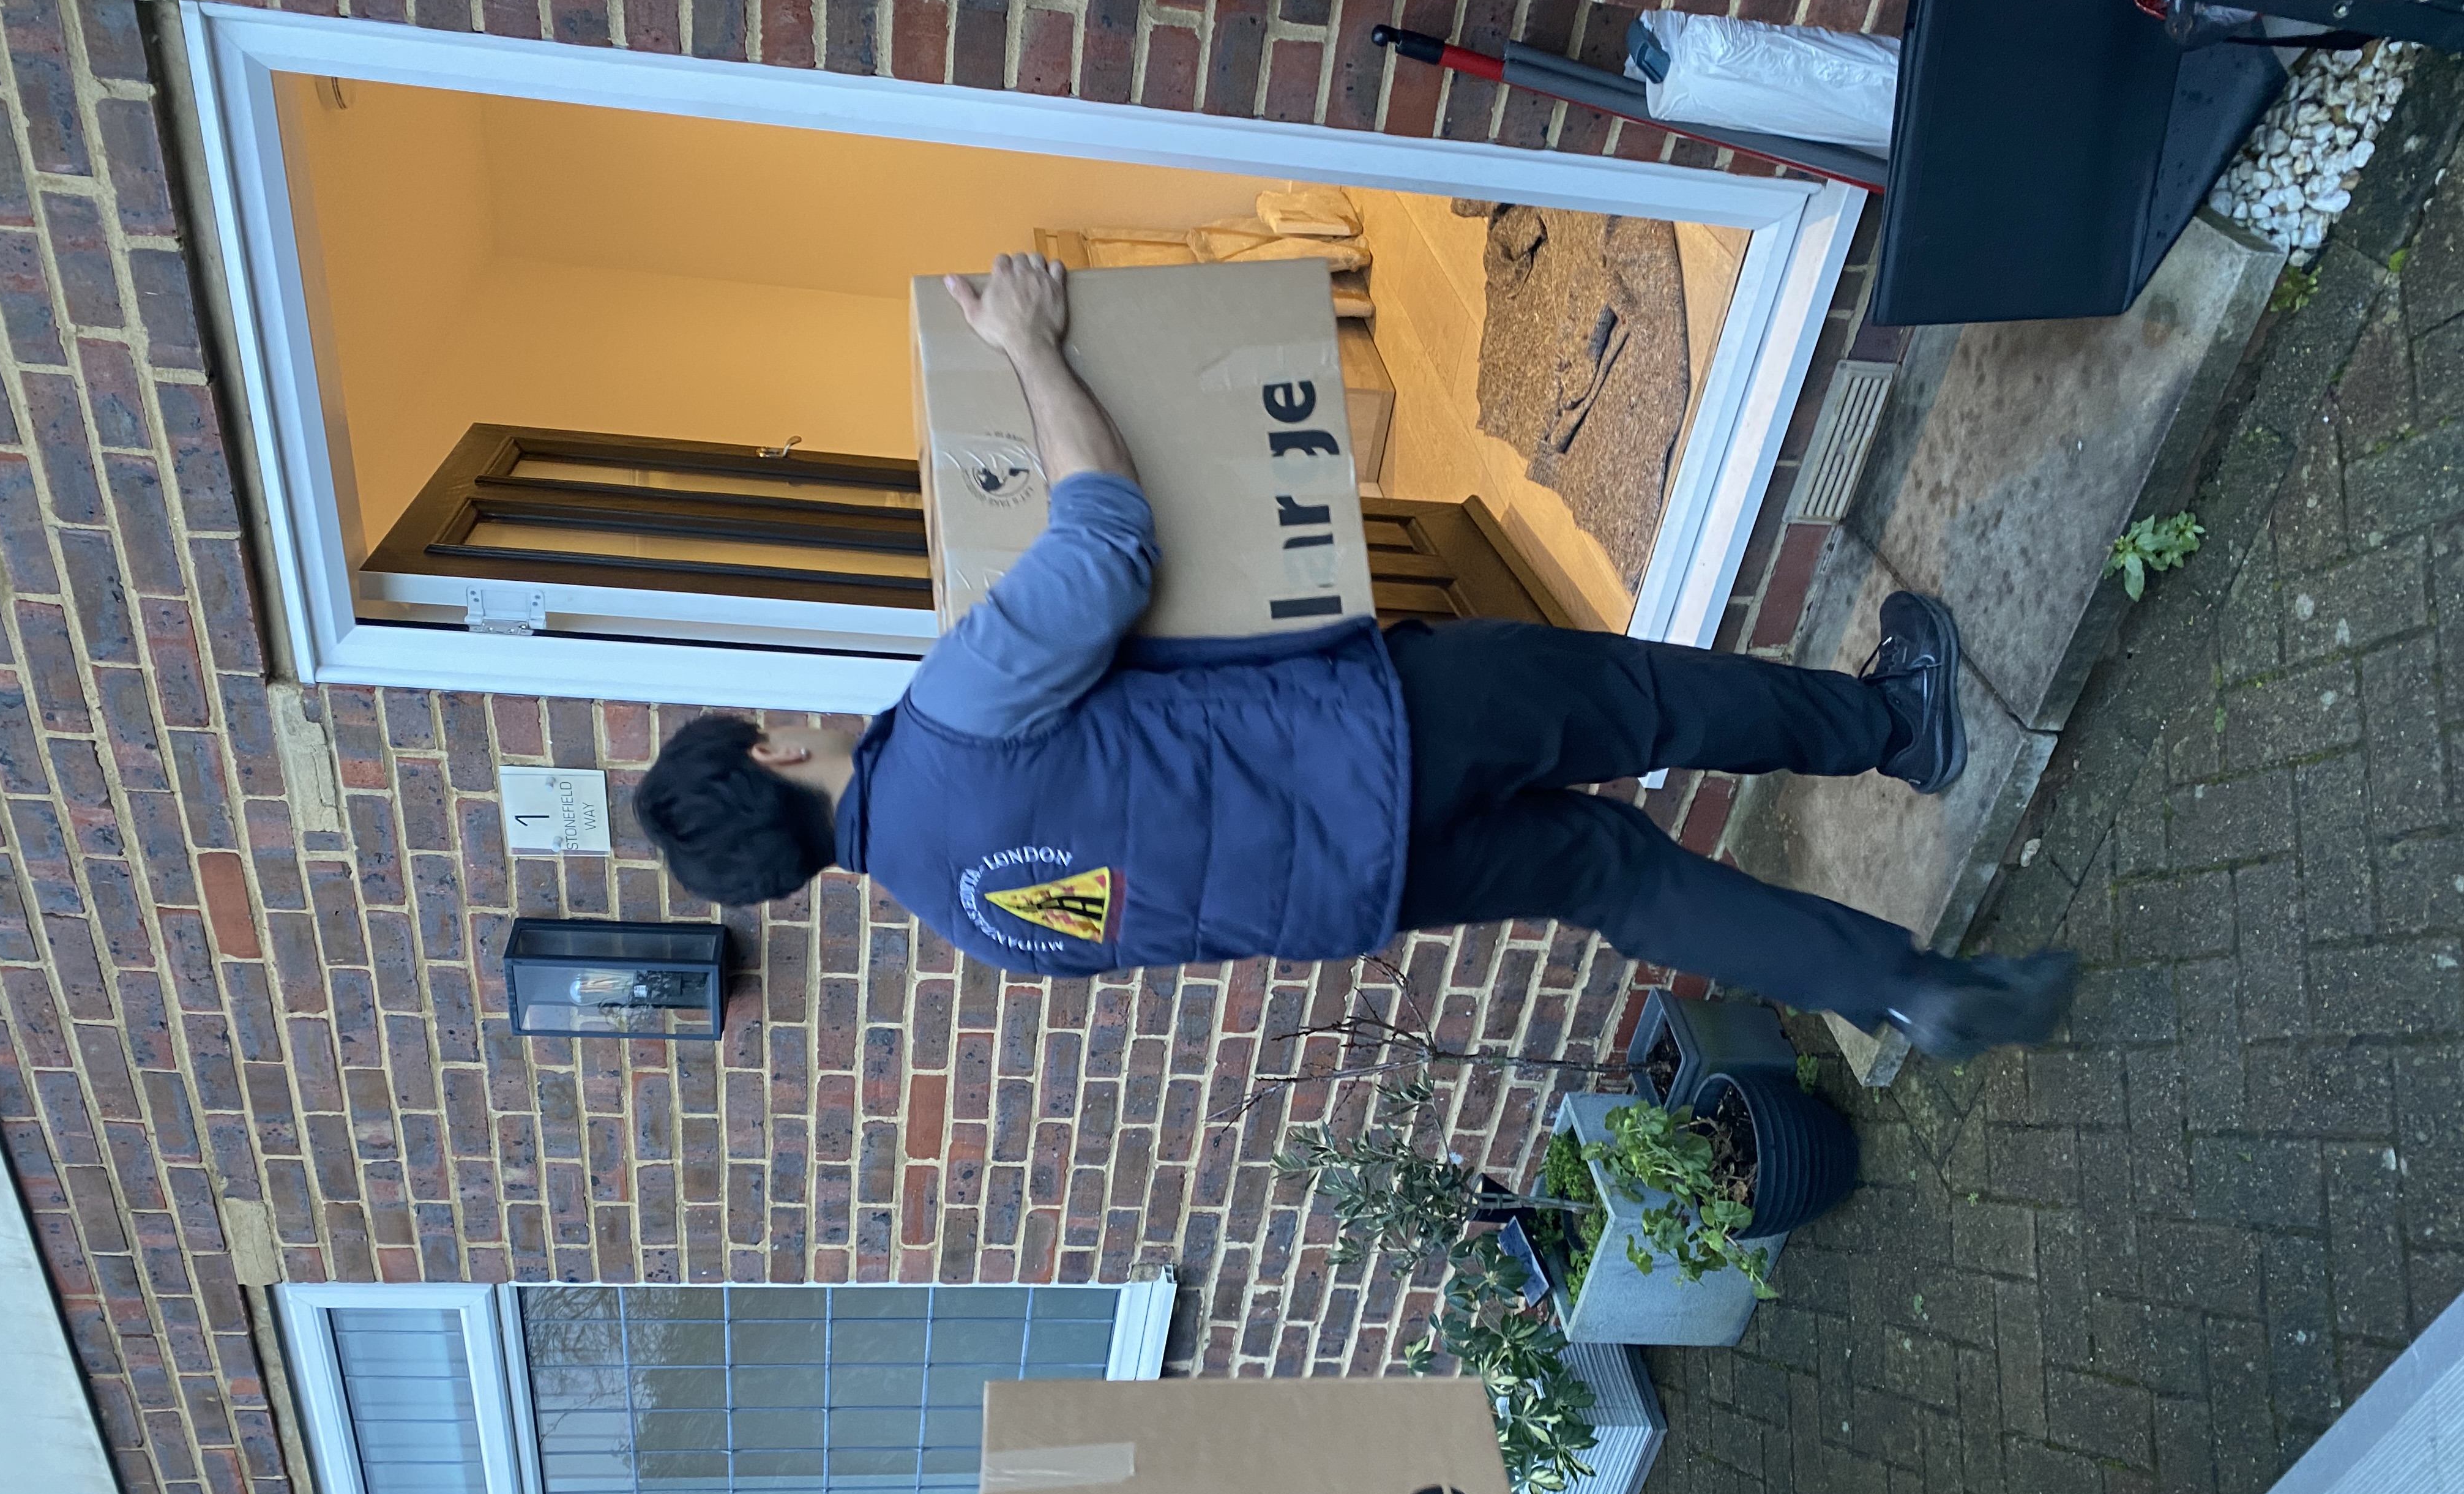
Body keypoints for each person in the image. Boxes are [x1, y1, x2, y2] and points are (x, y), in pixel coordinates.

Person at [634, 255, 2074, 1061]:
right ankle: (1897, 728)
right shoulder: (944, 724)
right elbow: (1105, 542)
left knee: (1622, 883)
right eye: (776, 722)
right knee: (1648, 702)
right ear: (772, 755)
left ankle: (1902, 990)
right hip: (1378, 732)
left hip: (1366, 887)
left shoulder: (977, 924)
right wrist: (1027, 348)